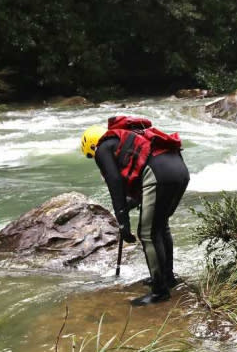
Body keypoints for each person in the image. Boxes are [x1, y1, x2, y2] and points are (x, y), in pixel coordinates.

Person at [81, 116, 189, 306]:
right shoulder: (130, 139)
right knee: (160, 226)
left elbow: (115, 186)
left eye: (90, 156)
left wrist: (123, 223)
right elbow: (143, 174)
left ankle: (159, 291)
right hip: (180, 171)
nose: (94, 159)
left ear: (91, 146)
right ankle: (168, 278)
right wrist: (130, 206)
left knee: (147, 233)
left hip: (160, 175)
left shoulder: (103, 149)